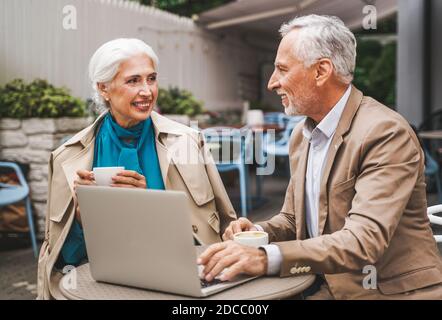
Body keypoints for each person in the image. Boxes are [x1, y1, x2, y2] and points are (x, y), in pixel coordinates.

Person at [198, 15, 442, 299]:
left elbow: (363, 241)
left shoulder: (384, 132)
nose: (271, 83)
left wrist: (265, 257)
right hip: (323, 284)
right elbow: (292, 219)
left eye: (282, 69)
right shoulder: (302, 135)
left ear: (321, 71)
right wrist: (258, 232)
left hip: (384, 291)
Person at [37, 38, 237, 299]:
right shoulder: (66, 157)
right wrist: (80, 216)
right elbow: (65, 257)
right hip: (102, 287)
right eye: (133, 81)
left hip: (184, 285)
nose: (147, 91)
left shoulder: (188, 142)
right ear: (104, 88)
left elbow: (224, 225)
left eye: (151, 78)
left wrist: (150, 205)